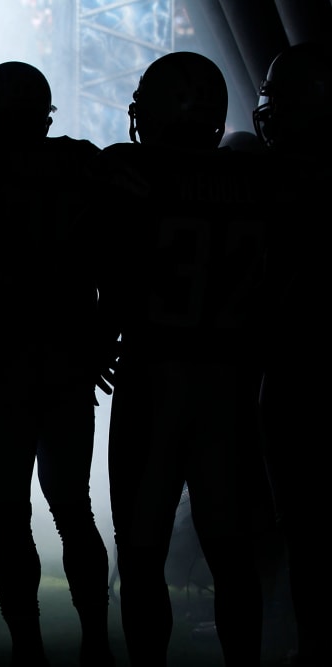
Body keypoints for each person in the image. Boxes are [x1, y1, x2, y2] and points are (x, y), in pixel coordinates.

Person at [95, 51, 273, 667]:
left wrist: (95, 330)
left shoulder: (127, 170)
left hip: (155, 381)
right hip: (228, 390)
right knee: (232, 554)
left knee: (141, 557)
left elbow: (110, 272)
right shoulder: (260, 179)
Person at [0, 61, 115, 667]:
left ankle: (29, 649)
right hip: (65, 362)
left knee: (8, 520)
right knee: (74, 512)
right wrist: (104, 329)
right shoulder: (83, 164)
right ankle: (94, 641)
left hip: (0, 362)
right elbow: (121, 253)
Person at [253, 40, 332, 667]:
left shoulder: (262, 180)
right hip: (292, 371)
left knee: (305, 532)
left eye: (282, 99)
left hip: (297, 376)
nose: (269, 111)